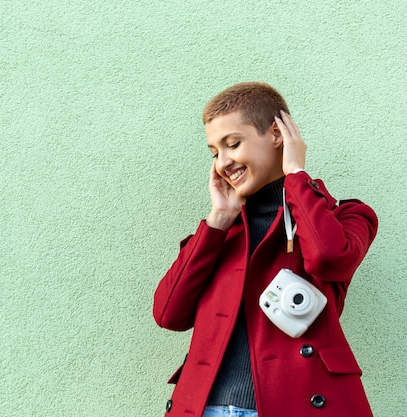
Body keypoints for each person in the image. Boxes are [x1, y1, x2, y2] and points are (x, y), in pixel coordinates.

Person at [152, 82, 378, 417]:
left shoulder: (346, 217)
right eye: (215, 152)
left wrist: (296, 175)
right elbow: (168, 314)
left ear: (276, 135)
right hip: (204, 408)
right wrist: (218, 220)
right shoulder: (223, 233)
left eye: (233, 144)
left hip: (299, 406)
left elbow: (329, 259)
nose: (223, 163)